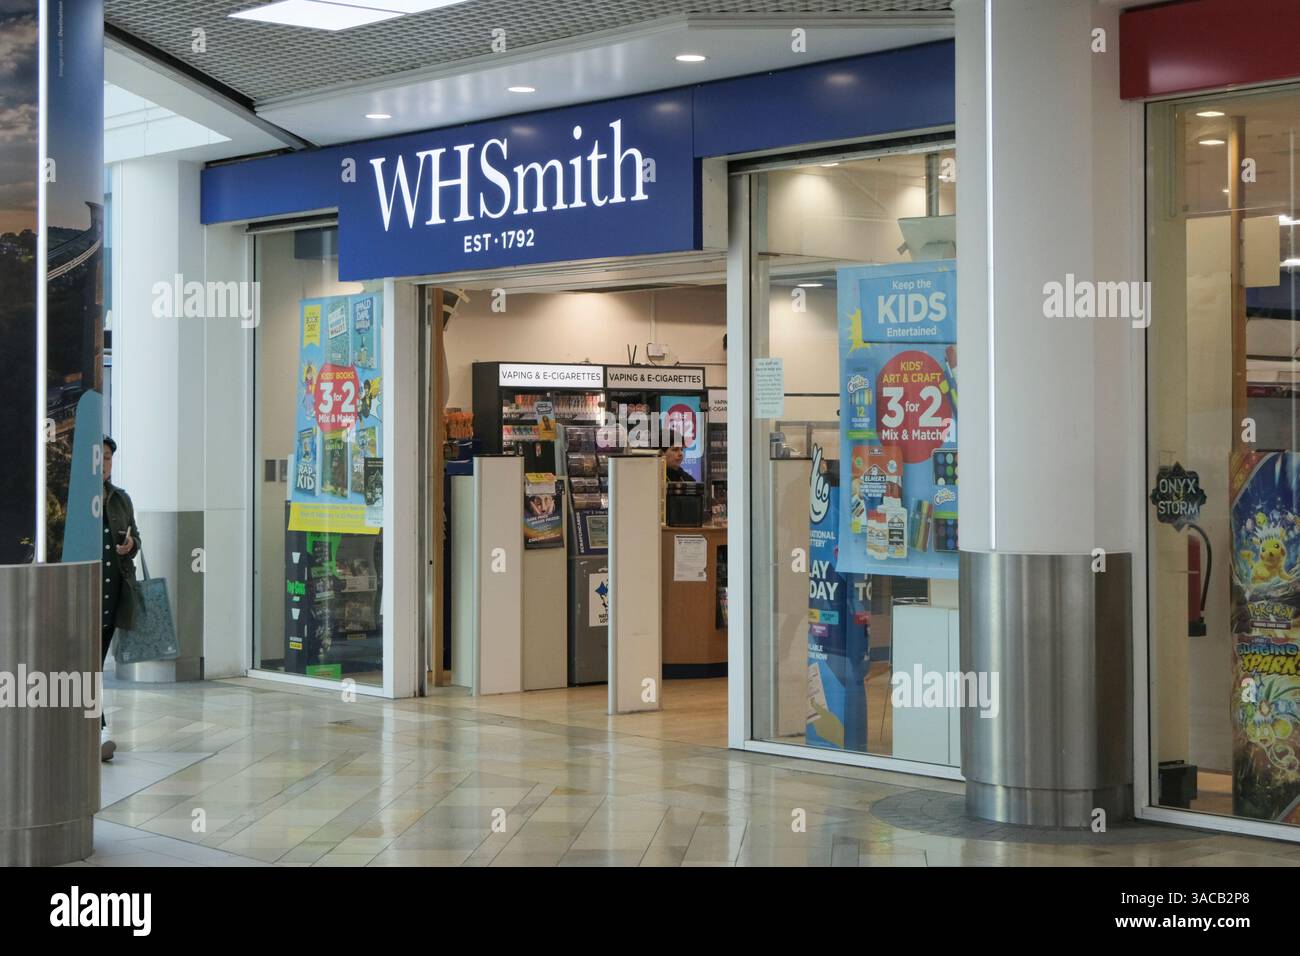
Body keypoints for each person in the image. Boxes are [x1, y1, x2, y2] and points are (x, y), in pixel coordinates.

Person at [101, 435, 142, 763]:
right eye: (99, 457)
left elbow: (135, 536)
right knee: (86, 666)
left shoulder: (120, 499)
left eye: (109, 458)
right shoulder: (72, 498)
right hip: (81, 596)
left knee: (93, 666)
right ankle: (97, 730)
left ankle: (95, 730)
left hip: (113, 595)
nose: (104, 464)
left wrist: (131, 545)